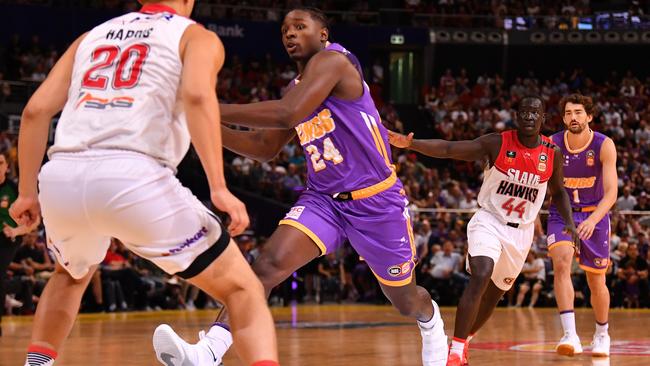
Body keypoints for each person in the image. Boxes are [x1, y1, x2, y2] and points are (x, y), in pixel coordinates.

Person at [155, 7, 448, 366]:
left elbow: (286, 113)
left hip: (376, 201)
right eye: (284, 30)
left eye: (299, 27)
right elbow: (264, 149)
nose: (289, 34)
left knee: (404, 300)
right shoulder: (295, 89)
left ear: (322, 34)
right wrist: (201, 123)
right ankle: (208, 354)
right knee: (266, 267)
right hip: (324, 200)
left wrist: (206, 106)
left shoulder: (334, 62)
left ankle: (430, 321)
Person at [8, 1, 279, 365]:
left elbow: (35, 111)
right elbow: (198, 97)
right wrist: (218, 186)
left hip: (63, 175)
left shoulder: (90, 37)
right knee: (243, 289)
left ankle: (36, 363)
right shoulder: (195, 36)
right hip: (134, 175)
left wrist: (27, 192)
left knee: (71, 275)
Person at [388, 96, 579, 366]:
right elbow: (448, 149)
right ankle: (454, 350)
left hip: (521, 232)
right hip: (489, 220)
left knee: (494, 295)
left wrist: (569, 222)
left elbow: (558, 192)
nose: (528, 117)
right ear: (516, 115)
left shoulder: (552, 153)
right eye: (523, 112)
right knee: (480, 274)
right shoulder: (497, 142)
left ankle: (465, 341)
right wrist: (411, 143)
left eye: (534, 113)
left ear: (543, 119)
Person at [546, 93, 618, 358]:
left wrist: (592, 220)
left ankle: (601, 333)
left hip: (593, 215)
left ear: (589, 116)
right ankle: (570, 334)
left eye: (577, 112)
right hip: (561, 214)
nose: (572, 117)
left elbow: (611, 193)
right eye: (567, 113)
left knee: (596, 281)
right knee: (561, 263)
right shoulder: (552, 144)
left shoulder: (604, 145)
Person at [1, 151, 39, 336]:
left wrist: (15, 231)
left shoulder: (14, 189)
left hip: (7, 239)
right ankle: (22, 285)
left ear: (7, 167)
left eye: (0, 163)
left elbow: (34, 223)